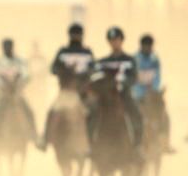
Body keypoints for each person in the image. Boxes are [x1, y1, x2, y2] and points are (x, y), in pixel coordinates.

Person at [38, 23, 94, 151]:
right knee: (51, 112)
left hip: (82, 93)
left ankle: (91, 143)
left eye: (78, 35)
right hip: (65, 92)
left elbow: (93, 70)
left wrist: (81, 75)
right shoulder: (63, 52)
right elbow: (53, 69)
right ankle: (45, 140)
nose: (75, 38)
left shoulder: (87, 52)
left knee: (94, 113)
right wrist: (65, 70)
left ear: (81, 36)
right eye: (73, 35)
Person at [88, 26, 143, 154]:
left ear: (122, 40)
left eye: (117, 39)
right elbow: (94, 77)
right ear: (109, 42)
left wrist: (123, 83)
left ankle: (137, 146)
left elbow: (134, 78)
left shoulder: (130, 60)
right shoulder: (102, 61)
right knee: (91, 114)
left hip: (124, 96)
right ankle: (91, 145)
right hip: (105, 98)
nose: (114, 42)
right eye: (112, 40)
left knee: (136, 115)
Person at [0, 38, 37, 143]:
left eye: (9, 47)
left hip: (17, 96)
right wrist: (3, 86)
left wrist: (18, 84)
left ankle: (34, 136)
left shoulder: (20, 61)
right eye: (6, 47)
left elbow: (26, 75)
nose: (8, 49)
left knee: (29, 113)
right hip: (3, 96)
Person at [133, 34, 175, 152]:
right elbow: (134, 79)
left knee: (165, 116)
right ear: (141, 46)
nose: (148, 48)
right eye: (146, 46)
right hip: (138, 95)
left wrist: (153, 90)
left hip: (152, 95)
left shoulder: (154, 59)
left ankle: (165, 143)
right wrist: (142, 89)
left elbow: (157, 77)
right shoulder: (135, 59)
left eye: (150, 46)